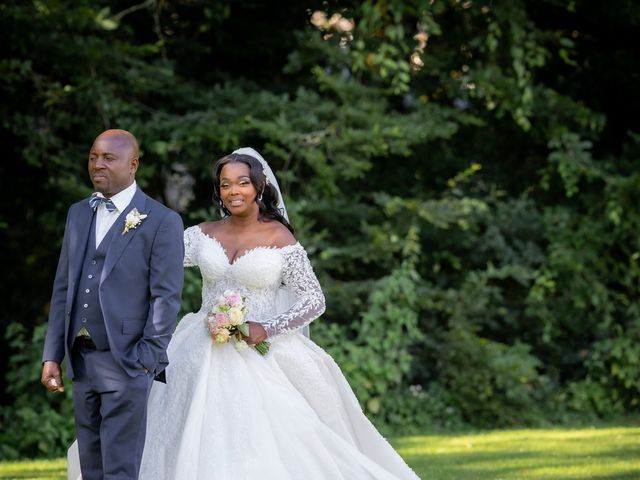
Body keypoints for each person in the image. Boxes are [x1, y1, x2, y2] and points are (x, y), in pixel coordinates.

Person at [68, 147, 418, 479]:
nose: (233, 191)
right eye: (225, 184)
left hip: (263, 350)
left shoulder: (279, 237)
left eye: (242, 182)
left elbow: (314, 299)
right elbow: (152, 264)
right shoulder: (201, 234)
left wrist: (267, 328)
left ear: (259, 187)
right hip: (198, 346)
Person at [41, 129, 185, 480]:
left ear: (133, 164)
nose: (97, 164)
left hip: (128, 359)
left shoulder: (162, 221)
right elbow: (64, 288)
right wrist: (51, 355)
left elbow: (166, 296)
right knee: (91, 464)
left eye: (108, 158)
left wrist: (147, 360)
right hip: (81, 357)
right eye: (93, 157)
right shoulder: (78, 214)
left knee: (120, 467)